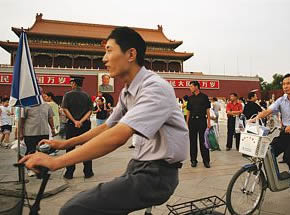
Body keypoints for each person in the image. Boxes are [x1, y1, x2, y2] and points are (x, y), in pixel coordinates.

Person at [20, 27, 188, 215]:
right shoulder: (127, 92)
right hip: (138, 166)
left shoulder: (155, 88)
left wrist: (56, 162)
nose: (104, 58)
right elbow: (107, 126)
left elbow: (117, 136)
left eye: (109, 50)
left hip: (156, 176)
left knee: (74, 209)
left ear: (131, 54)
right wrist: (64, 143)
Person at [251, 73, 290, 171]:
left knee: (289, 157)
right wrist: (253, 119)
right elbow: (268, 111)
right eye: (284, 84)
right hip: (285, 132)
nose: (285, 86)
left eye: (288, 83)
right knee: (268, 151)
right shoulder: (281, 100)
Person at [61, 75, 94, 179]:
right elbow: (90, 111)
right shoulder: (87, 95)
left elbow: (65, 109)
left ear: (74, 83)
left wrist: (74, 121)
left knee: (70, 148)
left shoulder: (67, 95)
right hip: (84, 125)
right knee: (87, 148)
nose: (71, 84)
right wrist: (81, 121)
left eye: (71, 83)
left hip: (71, 125)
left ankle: (69, 173)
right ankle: (88, 172)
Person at [19, 95, 55, 176]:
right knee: (30, 151)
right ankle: (30, 169)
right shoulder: (26, 105)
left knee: (43, 152)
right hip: (30, 133)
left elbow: (50, 118)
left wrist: (53, 129)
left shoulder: (46, 105)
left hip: (43, 132)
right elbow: (22, 120)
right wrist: (20, 132)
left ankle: (41, 169)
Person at [187, 81, 211, 168]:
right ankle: (193, 160)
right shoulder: (190, 98)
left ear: (196, 86)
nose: (190, 88)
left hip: (202, 121)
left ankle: (206, 161)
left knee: (203, 141)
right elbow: (188, 111)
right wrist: (187, 123)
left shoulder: (204, 97)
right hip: (192, 122)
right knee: (192, 141)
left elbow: (207, 110)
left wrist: (209, 122)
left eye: (191, 86)